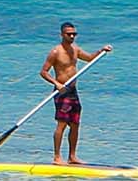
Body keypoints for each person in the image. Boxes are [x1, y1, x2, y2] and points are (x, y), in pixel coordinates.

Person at [38, 21, 111, 166]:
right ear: (62, 35)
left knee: (75, 124)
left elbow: (90, 58)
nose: (72, 36)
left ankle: (72, 156)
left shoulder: (75, 49)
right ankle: (57, 157)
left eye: (74, 34)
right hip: (61, 92)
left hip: (73, 91)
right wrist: (56, 84)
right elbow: (43, 72)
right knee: (62, 124)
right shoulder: (55, 52)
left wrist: (101, 50)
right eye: (69, 34)